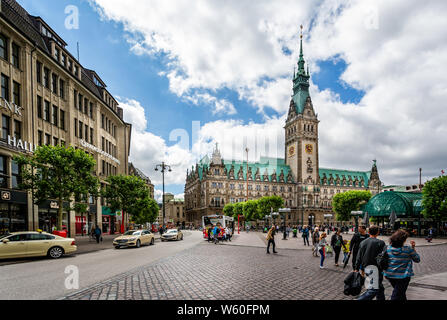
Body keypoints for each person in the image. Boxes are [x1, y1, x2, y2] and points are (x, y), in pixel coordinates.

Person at [383, 230, 421, 300]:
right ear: (403, 240)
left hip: (390, 275)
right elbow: (417, 259)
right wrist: (413, 248)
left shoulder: (388, 248)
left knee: (400, 293)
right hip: (403, 276)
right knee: (396, 295)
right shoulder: (408, 249)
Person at [354, 226, 386, 301]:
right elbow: (383, 257)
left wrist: (356, 268)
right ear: (378, 232)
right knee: (374, 289)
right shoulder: (381, 243)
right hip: (376, 268)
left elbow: (359, 256)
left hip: (366, 267)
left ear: (369, 232)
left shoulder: (363, 242)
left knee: (379, 287)